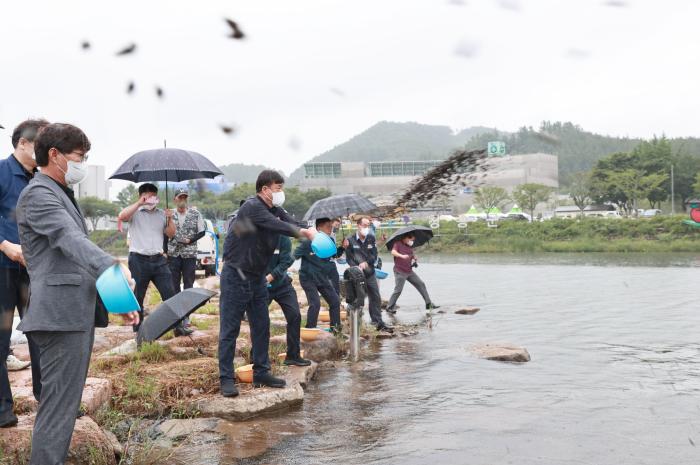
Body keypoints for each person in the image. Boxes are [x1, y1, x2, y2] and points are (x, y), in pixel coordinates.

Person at [15, 123, 139, 464]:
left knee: (64, 407)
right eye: (79, 157)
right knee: (58, 410)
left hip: (71, 314)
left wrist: (116, 298)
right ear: (54, 154)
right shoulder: (39, 195)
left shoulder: (59, 192)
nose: (82, 164)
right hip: (59, 317)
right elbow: (70, 241)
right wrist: (112, 268)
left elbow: (73, 258)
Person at [219, 170, 315, 397]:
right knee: (230, 329)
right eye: (278, 188)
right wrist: (301, 232)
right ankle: (226, 379)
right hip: (236, 274)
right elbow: (278, 225)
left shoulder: (275, 209)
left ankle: (261, 372)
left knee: (262, 325)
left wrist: (310, 229)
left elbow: (291, 221)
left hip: (257, 277)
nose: (281, 192)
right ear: (265, 190)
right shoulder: (252, 207)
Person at [0, 119, 49, 428]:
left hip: (36, 271)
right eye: (41, 143)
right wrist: (4, 244)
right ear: (23, 143)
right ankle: (3, 409)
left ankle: (49, 400)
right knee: (1, 338)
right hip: (3, 269)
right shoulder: (2, 172)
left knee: (43, 336)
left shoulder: (43, 180)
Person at [118, 184, 191, 336]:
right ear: (141, 196)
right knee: (138, 296)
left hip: (158, 260)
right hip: (138, 260)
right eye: (148, 196)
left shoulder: (162, 214)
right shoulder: (134, 213)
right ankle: (138, 331)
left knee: (170, 293)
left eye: (153, 196)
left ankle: (177, 326)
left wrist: (170, 219)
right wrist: (139, 203)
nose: (151, 199)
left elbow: (171, 234)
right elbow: (122, 216)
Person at [263, 235, 311, 366]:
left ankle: (293, 355)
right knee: (260, 321)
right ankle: (257, 359)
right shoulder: (257, 236)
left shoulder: (283, 238)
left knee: (294, 315)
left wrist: (269, 277)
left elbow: (285, 263)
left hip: (282, 285)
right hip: (262, 286)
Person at [345, 217, 393, 333]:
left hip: (370, 273)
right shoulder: (350, 240)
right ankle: (354, 322)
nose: (366, 228)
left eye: (368, 225)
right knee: (358, 299)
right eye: (364, 225)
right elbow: (349, 258)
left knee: (375, 297)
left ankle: (377, 322)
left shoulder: (371, 238)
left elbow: (374, 255)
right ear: (358, 225)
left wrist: (367, 262)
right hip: (356, 275)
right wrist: (356, 266)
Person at [294, 218, 342, 332]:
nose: (331, 229)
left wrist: (343, 247)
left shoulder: (329, 241)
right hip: (307, 278)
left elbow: (334, 255)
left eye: (331, 227)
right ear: (319, 228)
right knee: (315, 303)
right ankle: (310, 329)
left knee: (335, 301)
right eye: (328, 227)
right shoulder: (307, 242)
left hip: (322, 277)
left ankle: (336, 330)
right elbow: (294, 256)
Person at [167, 187, 205, 328]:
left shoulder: (195, 214)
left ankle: (187, 316)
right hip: (174, 254)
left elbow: (202, 232)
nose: (182, 200)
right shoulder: (169, 214)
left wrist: (191, 240)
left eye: (185, 197)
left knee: (188, 285)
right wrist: (164, 251)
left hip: (189, 254)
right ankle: (177, 316)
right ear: (175, 199)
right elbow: (165, 233)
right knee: (174, 285)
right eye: (180, 197)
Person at [385, 234, 439, 314]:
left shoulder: (409, 247)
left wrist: (414, 258)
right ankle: (389, 307)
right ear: (406, 238)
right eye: (411, 240)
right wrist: (401, 256)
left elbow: (411, 256)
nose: (412, 241)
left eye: (413, 240)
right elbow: (393, 252)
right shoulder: (397, 244)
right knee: (398, 290)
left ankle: (428, 304)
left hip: (409, 271)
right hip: (400, 271)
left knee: (421, 284)